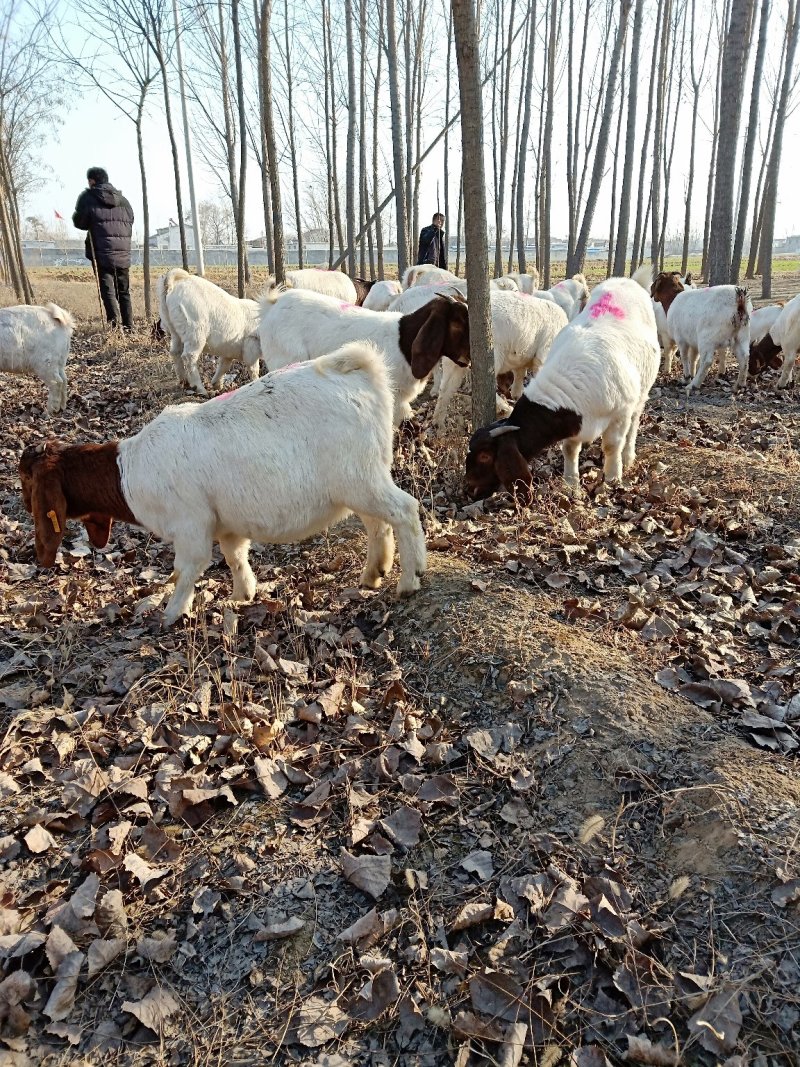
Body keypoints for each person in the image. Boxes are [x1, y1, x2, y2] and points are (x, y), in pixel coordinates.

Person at [73, 167, 135, 330]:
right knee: (124, 292)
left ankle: (115, 328)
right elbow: (131, 220)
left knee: (108, 292)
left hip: (101, 253)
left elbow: (80, 222)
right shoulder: (124, 200)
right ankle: (129, 327)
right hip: (123, 254)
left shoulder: (88, 197)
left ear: (92, 181)